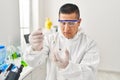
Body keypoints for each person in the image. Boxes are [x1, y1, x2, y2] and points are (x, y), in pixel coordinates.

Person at [24, 3, 100, 80]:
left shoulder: (90, 44)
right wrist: (35, 49)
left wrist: (67, 67)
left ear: (79, 22)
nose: (66, 29)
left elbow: (89, 74)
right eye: (63, 23)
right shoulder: (50, 39)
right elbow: (33, 63)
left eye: (71, 23)